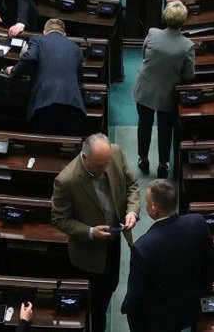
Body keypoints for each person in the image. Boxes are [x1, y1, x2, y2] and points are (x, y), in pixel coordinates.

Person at [50, 133, 140, 332]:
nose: (105, 168)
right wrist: (90, 232)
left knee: (111, 286)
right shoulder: (67, 181)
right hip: (88, 253)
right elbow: (59, 219)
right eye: (99, 165)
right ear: (84, 157)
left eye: (107, 162)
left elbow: (131, 185)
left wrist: (132, 210)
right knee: (96, 306)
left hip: (114, 240)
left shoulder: (115, 152)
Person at [122, 178, 214, 332]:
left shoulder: (142, 247)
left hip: (160, 320)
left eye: (147, 203)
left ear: (153, 209)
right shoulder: (198, 223)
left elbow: (136, 298)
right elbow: (211, 263)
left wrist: (127, 309)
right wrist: (201, 292)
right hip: (192, 308)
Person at [134, 2, 196, 177]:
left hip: (145, 88)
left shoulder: (152, 33)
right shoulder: (187, 46)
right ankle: (163, 164)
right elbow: (189, 75)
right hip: (167, 95)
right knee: (165, 128)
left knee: (144, 123)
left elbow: (143, 54)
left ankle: (143, 159)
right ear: (183, 20)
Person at [16, 19, 87, 135]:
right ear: (64, 34)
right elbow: (79, 76)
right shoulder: (76, 48)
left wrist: (14, 71)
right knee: (66, 146)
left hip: (43, 104)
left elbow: (29, 58)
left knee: (42, 145)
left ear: (44, 32)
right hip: (73, 105)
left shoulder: (37, 40)